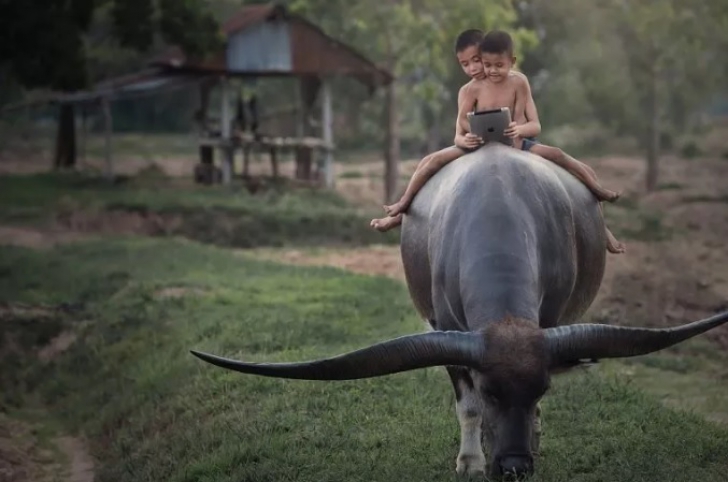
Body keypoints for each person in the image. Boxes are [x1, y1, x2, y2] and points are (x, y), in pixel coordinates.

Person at [371, 29, 625, 254]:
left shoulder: (518, 82)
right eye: (465, 64)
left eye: (477, 61)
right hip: (476, 147)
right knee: (430, 161)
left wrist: (519, 130)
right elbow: (458, 131)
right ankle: (402, 208)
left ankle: (600, 216)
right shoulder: (468, 91)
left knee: (561, 156)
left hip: (516, 144)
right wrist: (466, 140)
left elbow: (533, 124)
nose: (475, 68)